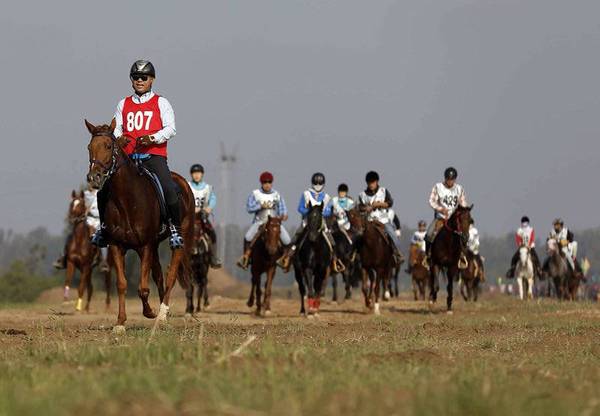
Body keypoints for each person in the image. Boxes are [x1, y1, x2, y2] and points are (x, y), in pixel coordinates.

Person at [91, 59, 184, 249]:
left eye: (144, 77)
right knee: (103, 191)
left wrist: (153, 138)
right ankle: (103, 228)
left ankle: (175, 228)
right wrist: (119, 139)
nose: (140, 80)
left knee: (169, 188)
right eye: (136, 77)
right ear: (131, 80)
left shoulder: (161, 102)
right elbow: (116, 128)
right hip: (128, 159)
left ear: (152, 79)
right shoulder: (123, 103)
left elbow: (171, 129)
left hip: (153, 156)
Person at [277, 172, 342, 272]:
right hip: (307, 222)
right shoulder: (306, 195)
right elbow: (300, 208)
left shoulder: (326, 197)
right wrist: (310, 212)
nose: (318, 186)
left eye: (320, 184)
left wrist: (321, 213)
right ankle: (287, 258)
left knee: (331, 241)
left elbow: (328, 210)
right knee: (296, 238)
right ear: (312, 183)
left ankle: (335, 260)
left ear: (323, 184)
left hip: (321, 223)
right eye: (316, 184)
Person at [237, 172, 290, 269]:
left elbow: (283, 209)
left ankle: (285, 259)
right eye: (265, 182)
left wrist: (284, 215)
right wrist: (260, 206)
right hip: (260, 221)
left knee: (287, 240)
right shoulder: (255, 194)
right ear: (261, 183)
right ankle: (246, 258)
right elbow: (249, 208)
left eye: (269, 182)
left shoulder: (277, 195)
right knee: (248, 237)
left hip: (274, 223)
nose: (267, 184)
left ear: (272, 183)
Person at [54, 186, 109, 272]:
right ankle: (64, 257)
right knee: (72, 235)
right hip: (87, 219)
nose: (90, 185)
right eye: (90, 182)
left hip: (98, 220)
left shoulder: (101, 193)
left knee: (101, 237)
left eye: (92, 182)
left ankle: (102, 261)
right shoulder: (85, 194)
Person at [357, 171, 404, 265]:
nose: (371, 185)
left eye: (373, 182)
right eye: (369, 183)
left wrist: (378, 204)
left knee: (392, 233)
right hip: (369, 221)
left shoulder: (383, 191)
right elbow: (360, 207)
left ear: (377, 182)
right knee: (358, 236)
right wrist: (366, 208)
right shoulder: (362, 194)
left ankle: (398, 253)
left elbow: (390, 203)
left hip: (382, 220)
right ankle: (353, 256)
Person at [188, 164, 221, 268]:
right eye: (194, 173)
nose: (196, 175)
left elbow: (213, 199)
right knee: (178, 234)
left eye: (198, 173)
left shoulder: (207, 188)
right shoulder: (187, 186)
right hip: (190, 217)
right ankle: (176, 259)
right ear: (191, 175)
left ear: (202, 174)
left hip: (202, 218)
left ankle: (214, 258)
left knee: (213, 234)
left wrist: (209, 208)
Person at [426, 167, 468, 245]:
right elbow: (431, 201)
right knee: (429, 234)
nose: (450, 181)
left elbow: (463, 203)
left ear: (455, 179)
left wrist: (464, 209)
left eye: (452, 179)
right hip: (441, 218)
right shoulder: (438, 187)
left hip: (455, 220)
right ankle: (428, 255)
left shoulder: (459, 189)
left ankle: (463, 255)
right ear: (445, 178)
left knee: (465, 236)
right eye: (448, 179)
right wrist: (440, 209)